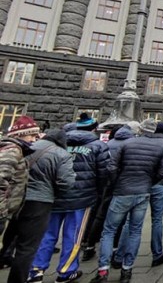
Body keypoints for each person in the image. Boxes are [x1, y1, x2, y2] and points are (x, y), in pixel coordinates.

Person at [27, 119, 110, 283]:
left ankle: (36, 270)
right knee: (73, 236)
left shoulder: (54, 147)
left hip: (53, 198)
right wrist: (98, 193)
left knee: (46, 235)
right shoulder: (97, 146)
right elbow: (103, 174)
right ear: (92, 129)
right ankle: (66, 271)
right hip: (81, 199)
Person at [90, 119, 163, 283]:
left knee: (109, 231)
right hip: (143, 191)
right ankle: (127, 270)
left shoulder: (125, 144)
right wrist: (149, 182)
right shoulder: (158, 147)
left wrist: (116, 183)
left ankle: (103, 271)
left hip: (122, 192)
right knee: (135, 231)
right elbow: (162, 171)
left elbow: (112, 167)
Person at [7, 129, 75, 283]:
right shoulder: (62, 154)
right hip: (40, 203)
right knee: (27, 248)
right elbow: (67, 183)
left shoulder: (26, 147)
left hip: (14, 199)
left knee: (8, 241)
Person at [111, 122, 163, 268]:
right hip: (158, 185)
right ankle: (157, 254)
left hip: (137, 185)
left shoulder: (135, 142)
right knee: (157, 220)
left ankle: (119, 256)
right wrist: (161, 176)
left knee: (130, 222)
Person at [81, 122, 140, 261]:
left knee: (100, 216)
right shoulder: (130, 145)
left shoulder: (107, 144)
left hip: (105, 184)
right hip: (123, 185)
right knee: (120, 220)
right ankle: (115, 250)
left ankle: (89, 245)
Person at [0, 116, 42, 269]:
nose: (34, 139)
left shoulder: (18, 150)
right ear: (20, 134)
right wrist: (2, 214)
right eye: (31, 134)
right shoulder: (13, 151)